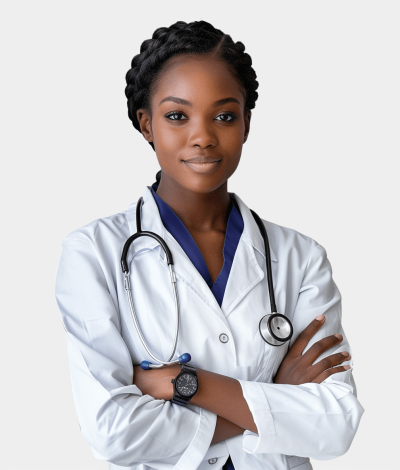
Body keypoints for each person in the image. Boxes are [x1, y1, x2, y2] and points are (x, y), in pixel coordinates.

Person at [55, 20, 364, 470]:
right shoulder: (92, 253)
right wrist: (276, 399)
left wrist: (190, 385)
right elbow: (114, 431)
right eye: (177, 116)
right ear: (146, 124)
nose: (202, 136)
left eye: (224, 115)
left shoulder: (300, 257)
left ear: (246, 123)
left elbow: (336, 423)